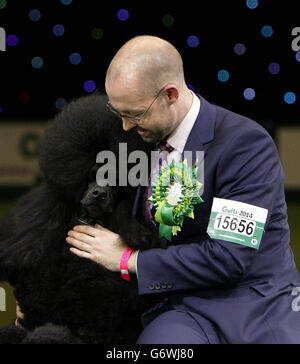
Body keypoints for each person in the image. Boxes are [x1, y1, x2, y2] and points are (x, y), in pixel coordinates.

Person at [30, 35, 300, 343]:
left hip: (251, 307)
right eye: (118, 112)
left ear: (170, 94)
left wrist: (128, 259)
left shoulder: (245, 146)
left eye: (135, 114)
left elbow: (229, 258)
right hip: (176, 310)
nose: (125, 127)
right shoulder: (135, 141)